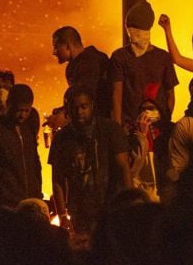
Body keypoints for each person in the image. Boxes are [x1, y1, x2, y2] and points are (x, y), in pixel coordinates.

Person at [48, 85, 132, 237]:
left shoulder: (110, 129)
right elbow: (57, 179)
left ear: (92, 105)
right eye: (74, 108)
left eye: (84, 106)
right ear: (68, 109)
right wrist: (62, 215)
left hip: (111, 207)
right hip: (80, 212)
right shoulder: (61, 139)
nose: (79, 112)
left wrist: (131, 204)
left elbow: (123, 167)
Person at [110, 1, 179, 128]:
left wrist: (165, 122)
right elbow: (117, 95)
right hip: (130, 127)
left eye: (139, 31)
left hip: (158, 127)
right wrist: (118, 130)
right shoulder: (119, 57)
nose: (135, 37)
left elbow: (171, 95)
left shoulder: (163, 57)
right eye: (131, 31)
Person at [0, 83, 43, 207]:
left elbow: (35, 163)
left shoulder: (27, 129)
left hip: (32, 201)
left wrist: (38, 192)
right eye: (19, 110)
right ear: (9, 104)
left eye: (27, 110)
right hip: (8, 205)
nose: (23, 115)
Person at [51, 26, 111, 123]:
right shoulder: (82, 64)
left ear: (67, 46)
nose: (54, 52)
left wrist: (64, 117)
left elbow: (85, 98)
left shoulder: (90, 63)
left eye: (56, 47)